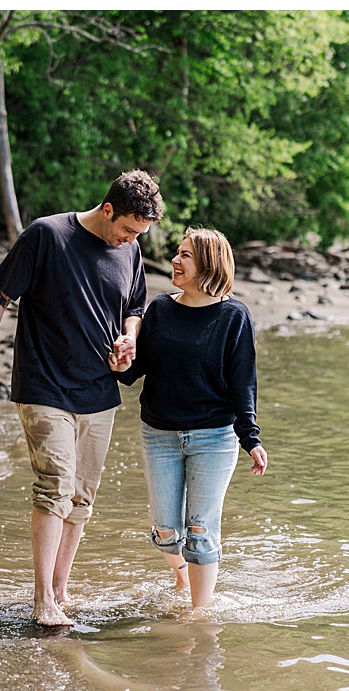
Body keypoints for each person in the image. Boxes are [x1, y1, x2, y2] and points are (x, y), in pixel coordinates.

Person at [0, 171, 161, 627]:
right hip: (44, 385)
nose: (130, 240)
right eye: (128, 229)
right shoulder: (47, 235)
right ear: (108, 209)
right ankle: (42, 597)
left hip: (99, 392)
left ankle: (61, 590)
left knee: (82, 499)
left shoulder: (129, 249)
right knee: (55, 485)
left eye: (139, 235)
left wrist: (129, 340)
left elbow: (134, 308)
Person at [108, 227, 267, 611]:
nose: (175, 261)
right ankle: (182, 573)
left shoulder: (234, 316)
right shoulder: (160, 309)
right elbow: (136, 370)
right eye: (177, 253)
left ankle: (199, 614)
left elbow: (243, 382)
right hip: (159, 435)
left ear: (209, 264)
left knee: (200, 531)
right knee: (166, 532)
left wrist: (252, 438)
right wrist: (119, 364)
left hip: (214, 437)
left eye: (185, 256)